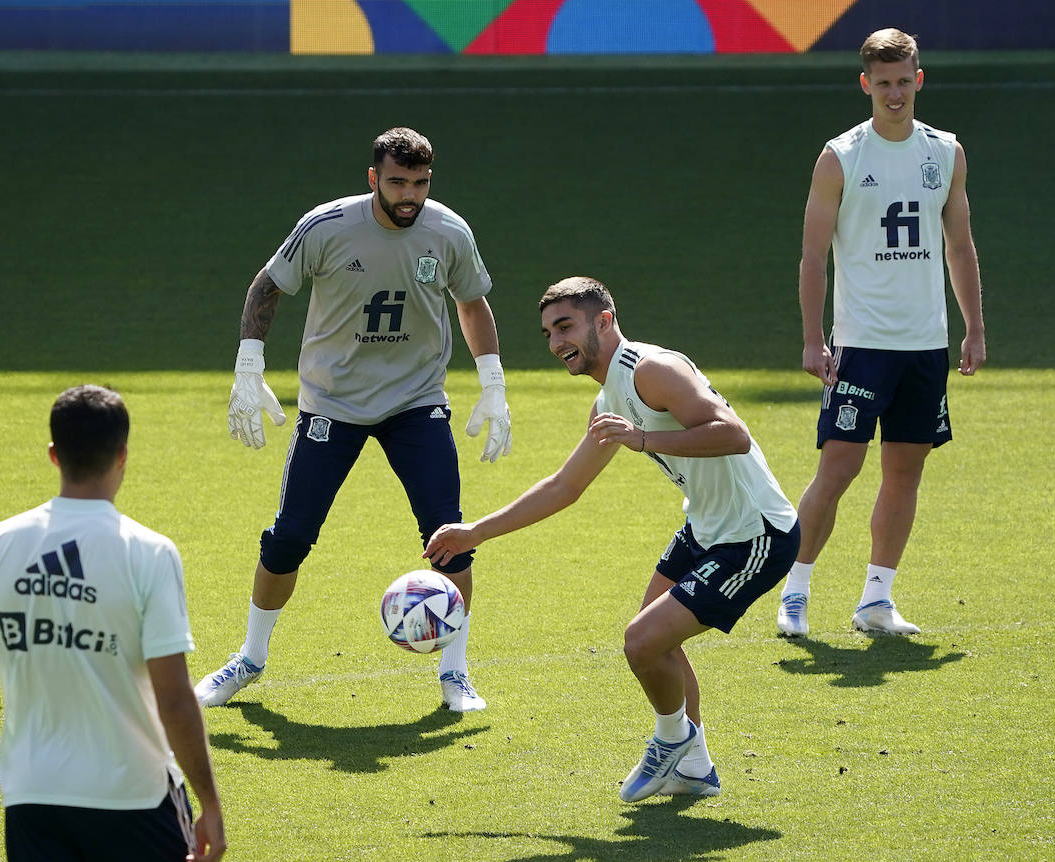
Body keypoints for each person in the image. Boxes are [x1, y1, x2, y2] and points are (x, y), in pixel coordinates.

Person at [424, 277, 800, 802]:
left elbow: (733, 434)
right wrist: (473, 532)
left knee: (642, 641)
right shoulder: (608, 398)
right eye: (548, 333)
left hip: (755, 533)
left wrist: (643, 439)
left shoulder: (652, 370)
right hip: (705, 527)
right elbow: (564, 486)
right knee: (655, 642)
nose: (556, 343)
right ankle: (695, 766)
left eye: (565, 326)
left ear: (603, 321)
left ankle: (672, 741)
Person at [196, 127, 510, 713]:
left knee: (450, 538)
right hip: (332, 403)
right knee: (288, 538)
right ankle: (250, 657)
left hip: (416, 399)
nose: (408, 194)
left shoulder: (448, 231)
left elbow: (471, 301)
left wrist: (492, 383)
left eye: (418, 183)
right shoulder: (327, 227)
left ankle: (455, 672)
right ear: (374, 179)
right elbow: (269, 284)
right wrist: (248, 366)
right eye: (396, 182)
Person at [0, 385, 225, 862]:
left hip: (33, 798)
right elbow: (173, 697)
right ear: (123, 455)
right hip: (135, 795)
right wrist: (209, 803)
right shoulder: (148, 553)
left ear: (54, 454)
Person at [777, 27, 986, 639]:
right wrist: (814, 339)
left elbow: (960, 244)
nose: (894, 94)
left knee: (905, 472)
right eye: (883, 83)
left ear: (918, 80)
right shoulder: (840, 156)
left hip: (925, 344)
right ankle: (794, 590)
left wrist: (972, 328)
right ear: (866, 84)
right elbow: (813, 256)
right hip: (861, 343)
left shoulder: (945, 152)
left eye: (904, 82)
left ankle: (876, 599)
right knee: (838, 468)